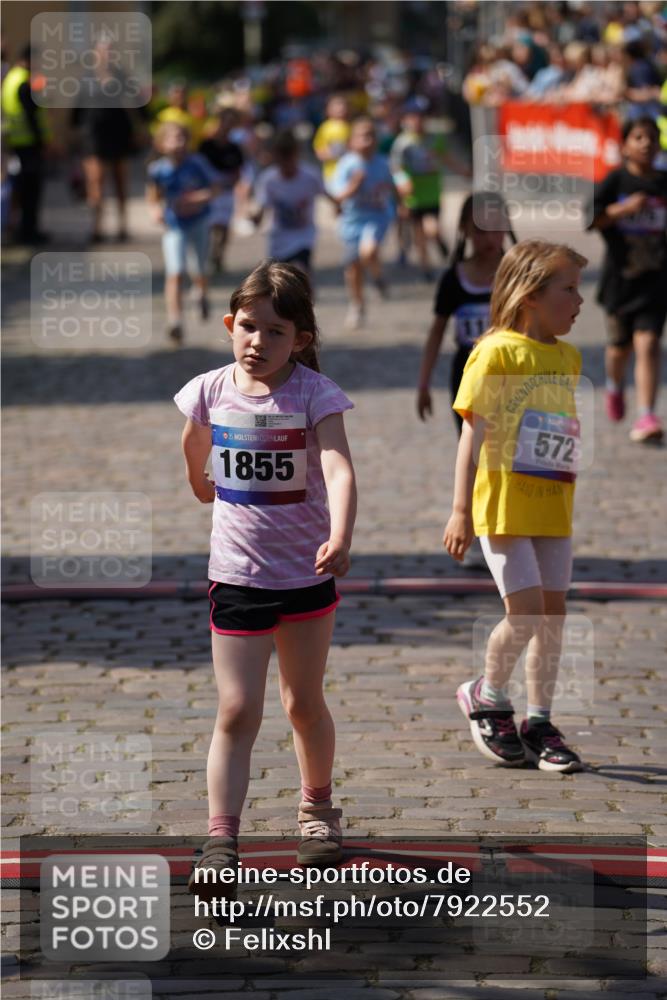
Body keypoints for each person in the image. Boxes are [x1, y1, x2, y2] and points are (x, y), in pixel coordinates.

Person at [174, 261, 356, 881]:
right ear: (230, 325)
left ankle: (317, 807)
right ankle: (222, 837)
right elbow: (192, 442)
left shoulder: (313, 394)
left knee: (303, 703)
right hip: (238, 576)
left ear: (300, 340)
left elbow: (338, 467)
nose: (259, 342)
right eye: (249, 327)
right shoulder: (209, 388)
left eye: (276, 332)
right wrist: (201, 482)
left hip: (305, 575)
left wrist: (341, 532)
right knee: (236, 708)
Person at [444, 240, 586, 773]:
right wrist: (460, 510)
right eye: (568, 289)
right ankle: (487, 691)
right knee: (523, 612)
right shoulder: (495, 352)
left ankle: (539, 720)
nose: (578, 301)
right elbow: (470, 437)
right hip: (503, 504)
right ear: (529, 294)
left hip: (554, 504)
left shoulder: (568, 357)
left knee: (553, 618)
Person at [417, 192, 517, 568]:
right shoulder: (453, 280)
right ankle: (476, 531)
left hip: (513, 380)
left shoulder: (518, 275)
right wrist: (423, 383)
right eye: (481, 228)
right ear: (464, 230)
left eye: (497, 226)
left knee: (509, 457)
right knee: (474, 455)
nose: (490, 236)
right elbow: (436, 333)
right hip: (467, 380)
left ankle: (511, 530)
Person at [588, 116, 666, 443]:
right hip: (620, 280)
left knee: (648, 344)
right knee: (619, 349)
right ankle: (615, 385)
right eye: (638, 137)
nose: (646, 143)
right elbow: (592, 220)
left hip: (657, 280)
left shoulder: (664, 183)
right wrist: (623, 210)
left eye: (652, 137)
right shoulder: (614, 182)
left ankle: (647, 414)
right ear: (624, 146)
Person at [147, 122, 220, 345]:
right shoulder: (157, 169)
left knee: (199, 268)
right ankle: (175, 320)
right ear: (161, 145)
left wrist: (196, 198)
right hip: (174, 226)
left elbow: (216, 188)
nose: (177, 143)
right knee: (175, 272)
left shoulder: (197, 164)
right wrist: (155, 211)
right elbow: (153, 195)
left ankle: (201, 291)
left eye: (181, 138)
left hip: (199, 222)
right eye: (172, 139)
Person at [332, 117, 399, 330]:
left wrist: (402, 203)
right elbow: (337, 196)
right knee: (353, 266)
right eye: (362, 137)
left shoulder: (382, 163)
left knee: (368, 252)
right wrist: (353, 185)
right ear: (351, 141)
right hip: (352, 221)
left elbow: (392, 186)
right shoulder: (347, 164)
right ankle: (357, 304)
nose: (367, 141)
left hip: (377, 217)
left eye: (371, 136)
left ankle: (378, 278)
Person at [390, 106, 470, 280]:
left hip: (432, 193)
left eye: (420, 118)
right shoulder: (403, 143)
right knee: (419, 236)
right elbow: (396, 168)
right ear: (406, 121)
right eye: (413, 118)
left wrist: (462, 171)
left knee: (432, 228)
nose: (417, 122)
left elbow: (445, 158)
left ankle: (441, 245)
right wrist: (402, 182)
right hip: (413, 197)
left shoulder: (434, 139)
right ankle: (426, 268)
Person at [252, 130, 336, 275]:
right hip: (278, 239)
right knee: (278, 280)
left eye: (289, 158)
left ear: (296, 154)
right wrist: (255, 218)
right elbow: (262, 207)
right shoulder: (268, 180)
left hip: (303, 236)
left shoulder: (310, 176)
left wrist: (339, 206)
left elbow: (326, 194)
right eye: (281, 160)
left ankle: (307, 296)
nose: (286, 165)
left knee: (301, 272)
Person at [1, 44, 51, 244]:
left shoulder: (11, 78)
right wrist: (44, 142)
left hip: (15, 142)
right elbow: (32, 116)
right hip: (29, 145)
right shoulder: (24, 82)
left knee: (20, 191)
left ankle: (22, 229)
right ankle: (29, 232)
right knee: (31, 192)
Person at [199, 108, 244, 273]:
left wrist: (233, 182)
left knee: (224, 226)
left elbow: (239, 171)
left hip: (226, 192)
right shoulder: (206, 145)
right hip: (210, 192)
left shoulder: (234, 148)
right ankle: (207, 254)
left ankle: (219, 256)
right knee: (210, 225)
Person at [312, 93, 351, 190]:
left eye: (343, 105)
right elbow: (318, 151)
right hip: (332, 173)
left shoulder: (351, 127)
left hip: (350, 171)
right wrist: (334, 154)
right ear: (328, 110)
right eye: (336, 105)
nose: (340, 108)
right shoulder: (325, 128)